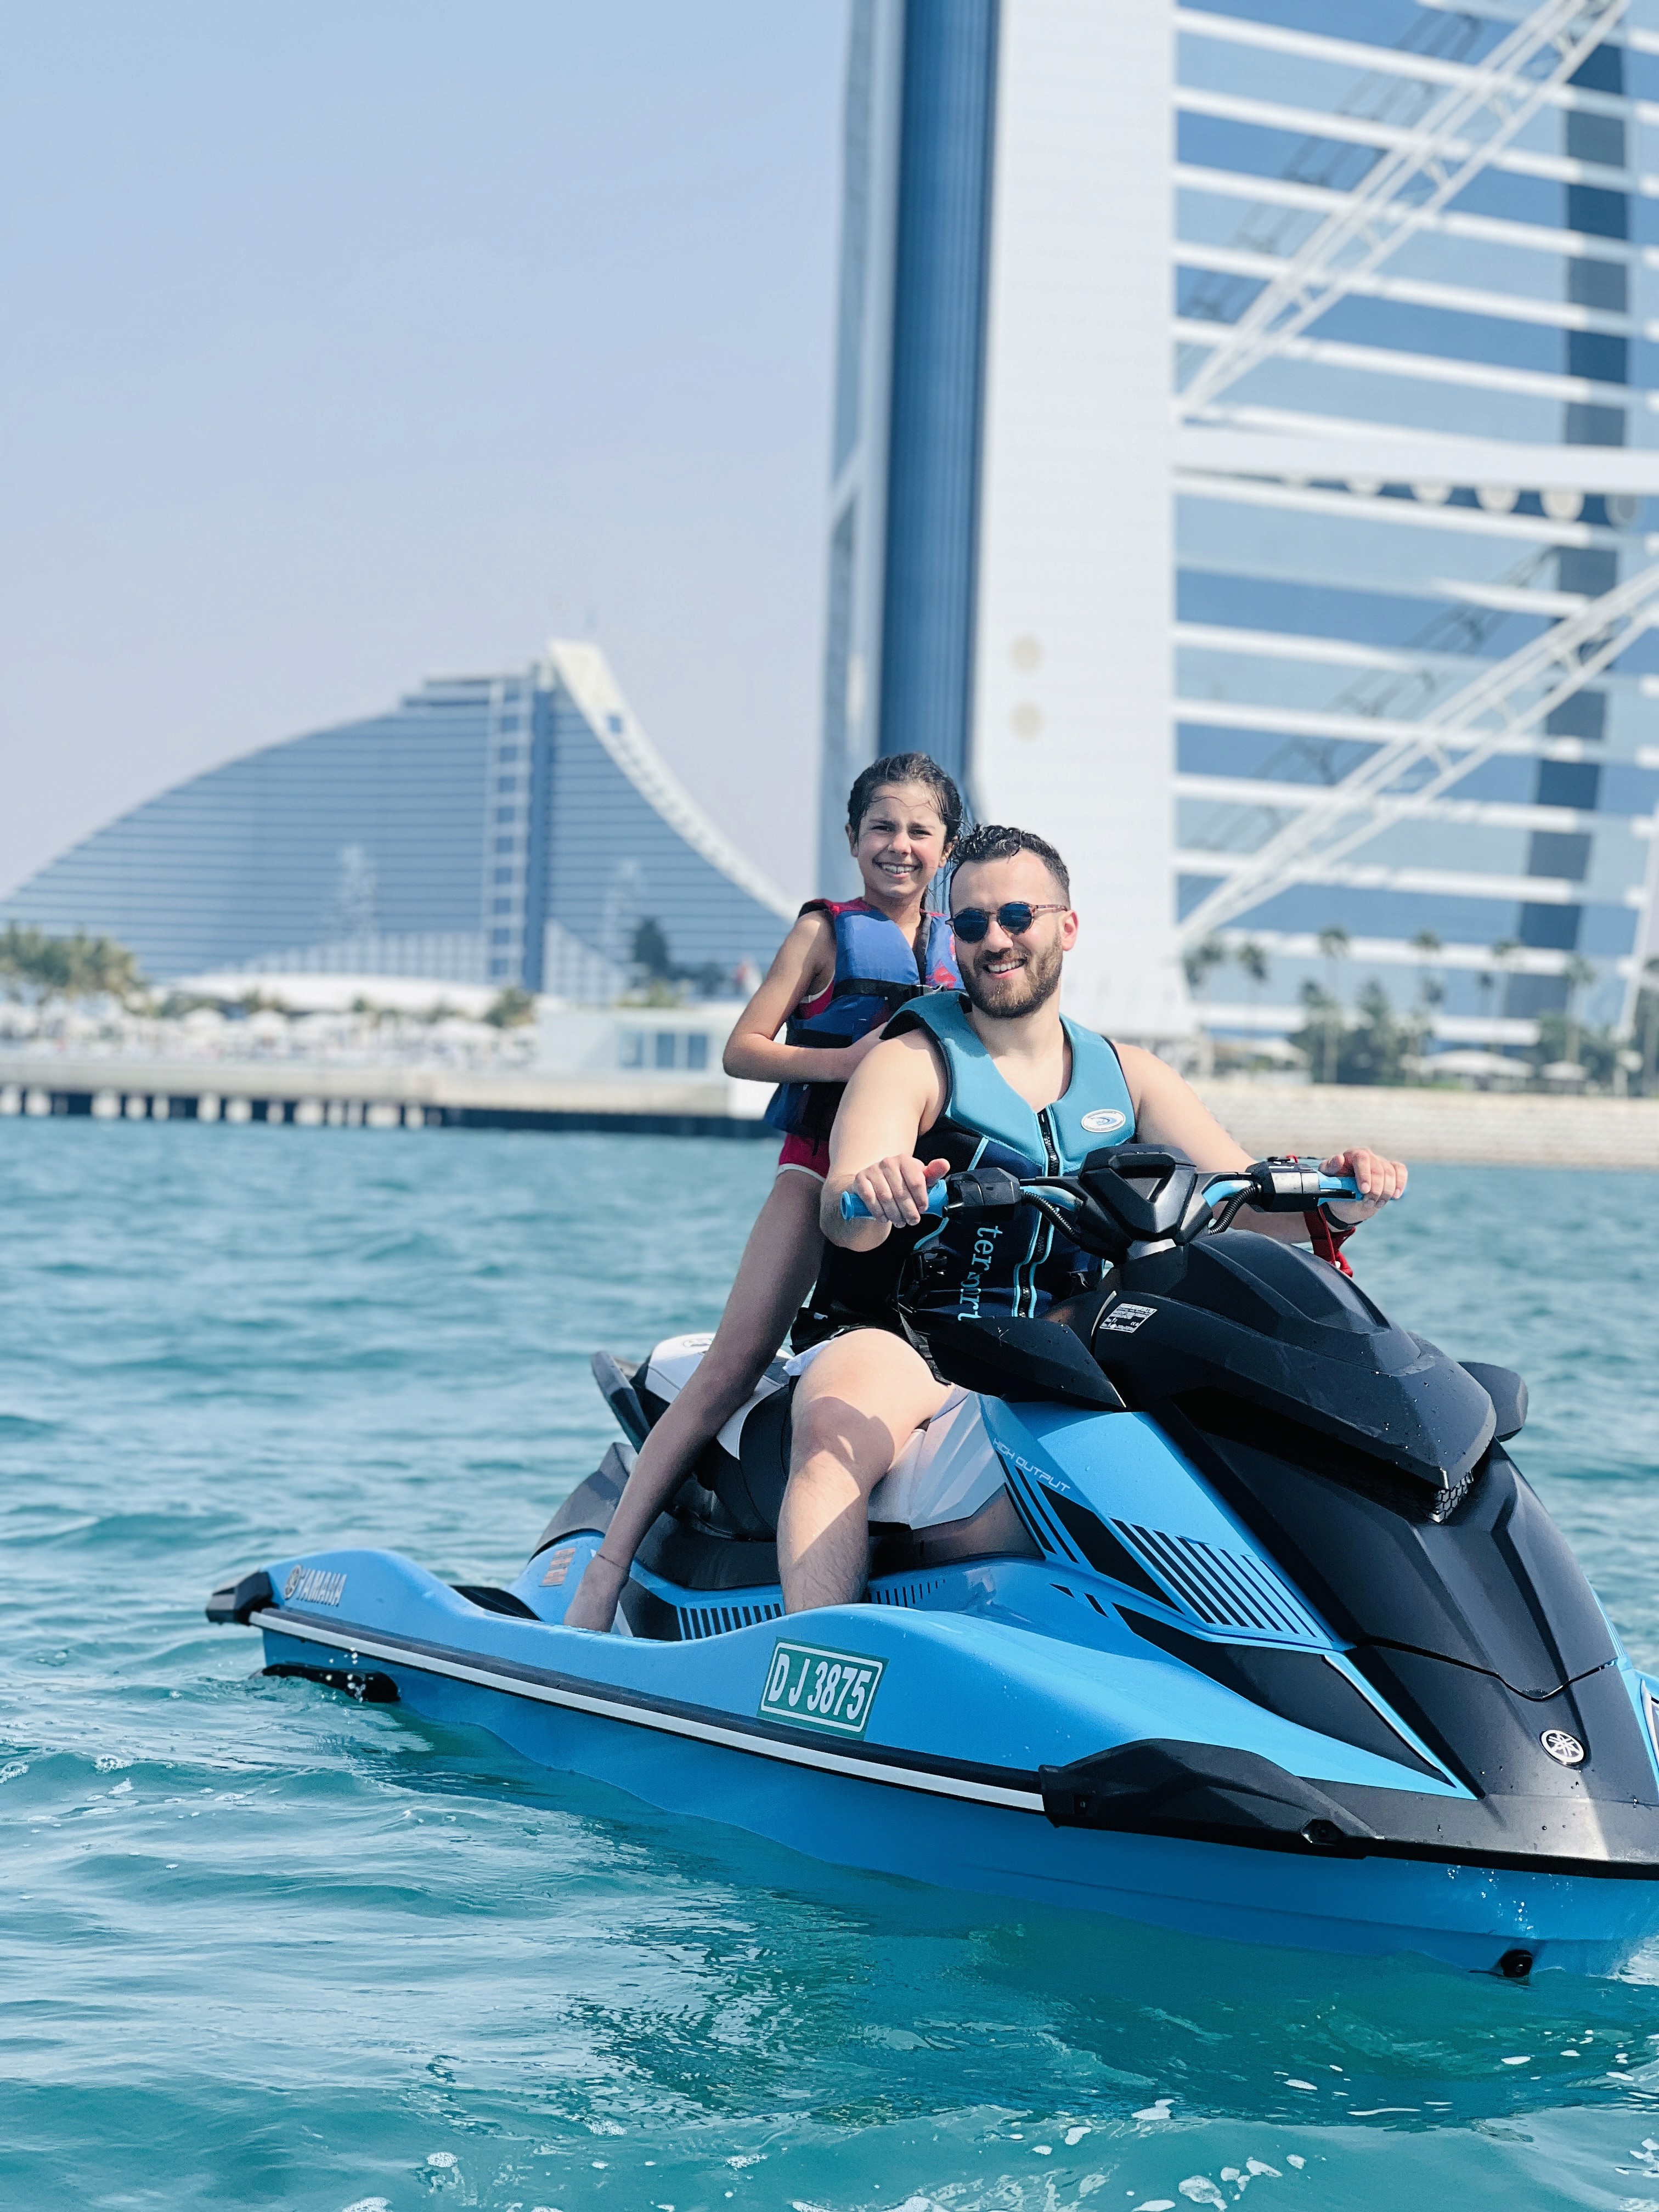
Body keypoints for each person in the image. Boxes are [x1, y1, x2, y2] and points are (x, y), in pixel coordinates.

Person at [776, 822, 1408, 1616]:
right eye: (969, 925)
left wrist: (1343, 1199)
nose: (994, 941)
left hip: (1068, 1344)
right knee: (836, 1431)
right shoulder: (908, 1064)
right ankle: (817, 1654)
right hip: (911, 1339)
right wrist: (883, 1188)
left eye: (1016, 917)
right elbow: (845, 1211)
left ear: (1066, 927)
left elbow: (1237, 1202)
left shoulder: (1130, 1076)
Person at [564, 754, 964, 1632]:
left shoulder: (965, 943)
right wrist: (847, 1063)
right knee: (735, 1360)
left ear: (949, 845)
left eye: (919, 831)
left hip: (919, 1188)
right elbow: (742, 1049)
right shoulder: (825, 933)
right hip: (817, 1169)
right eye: (882, 829)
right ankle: (605, 1570)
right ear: (854, 839)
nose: (899, 847)